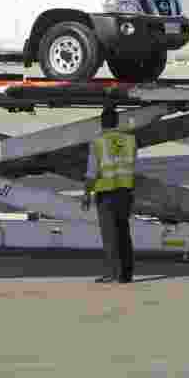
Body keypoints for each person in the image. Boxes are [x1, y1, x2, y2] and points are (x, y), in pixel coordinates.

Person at [82, 106, 137, 284]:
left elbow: (92, 172)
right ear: (116, 122)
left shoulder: (98, 141)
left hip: (106, 192)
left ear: (102, 122)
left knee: (109, 234)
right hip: (125, 191)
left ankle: (113, 273)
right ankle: (126, 274)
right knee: (123, 231)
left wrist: (86, 193)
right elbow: (132, 163)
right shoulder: (130, 140)